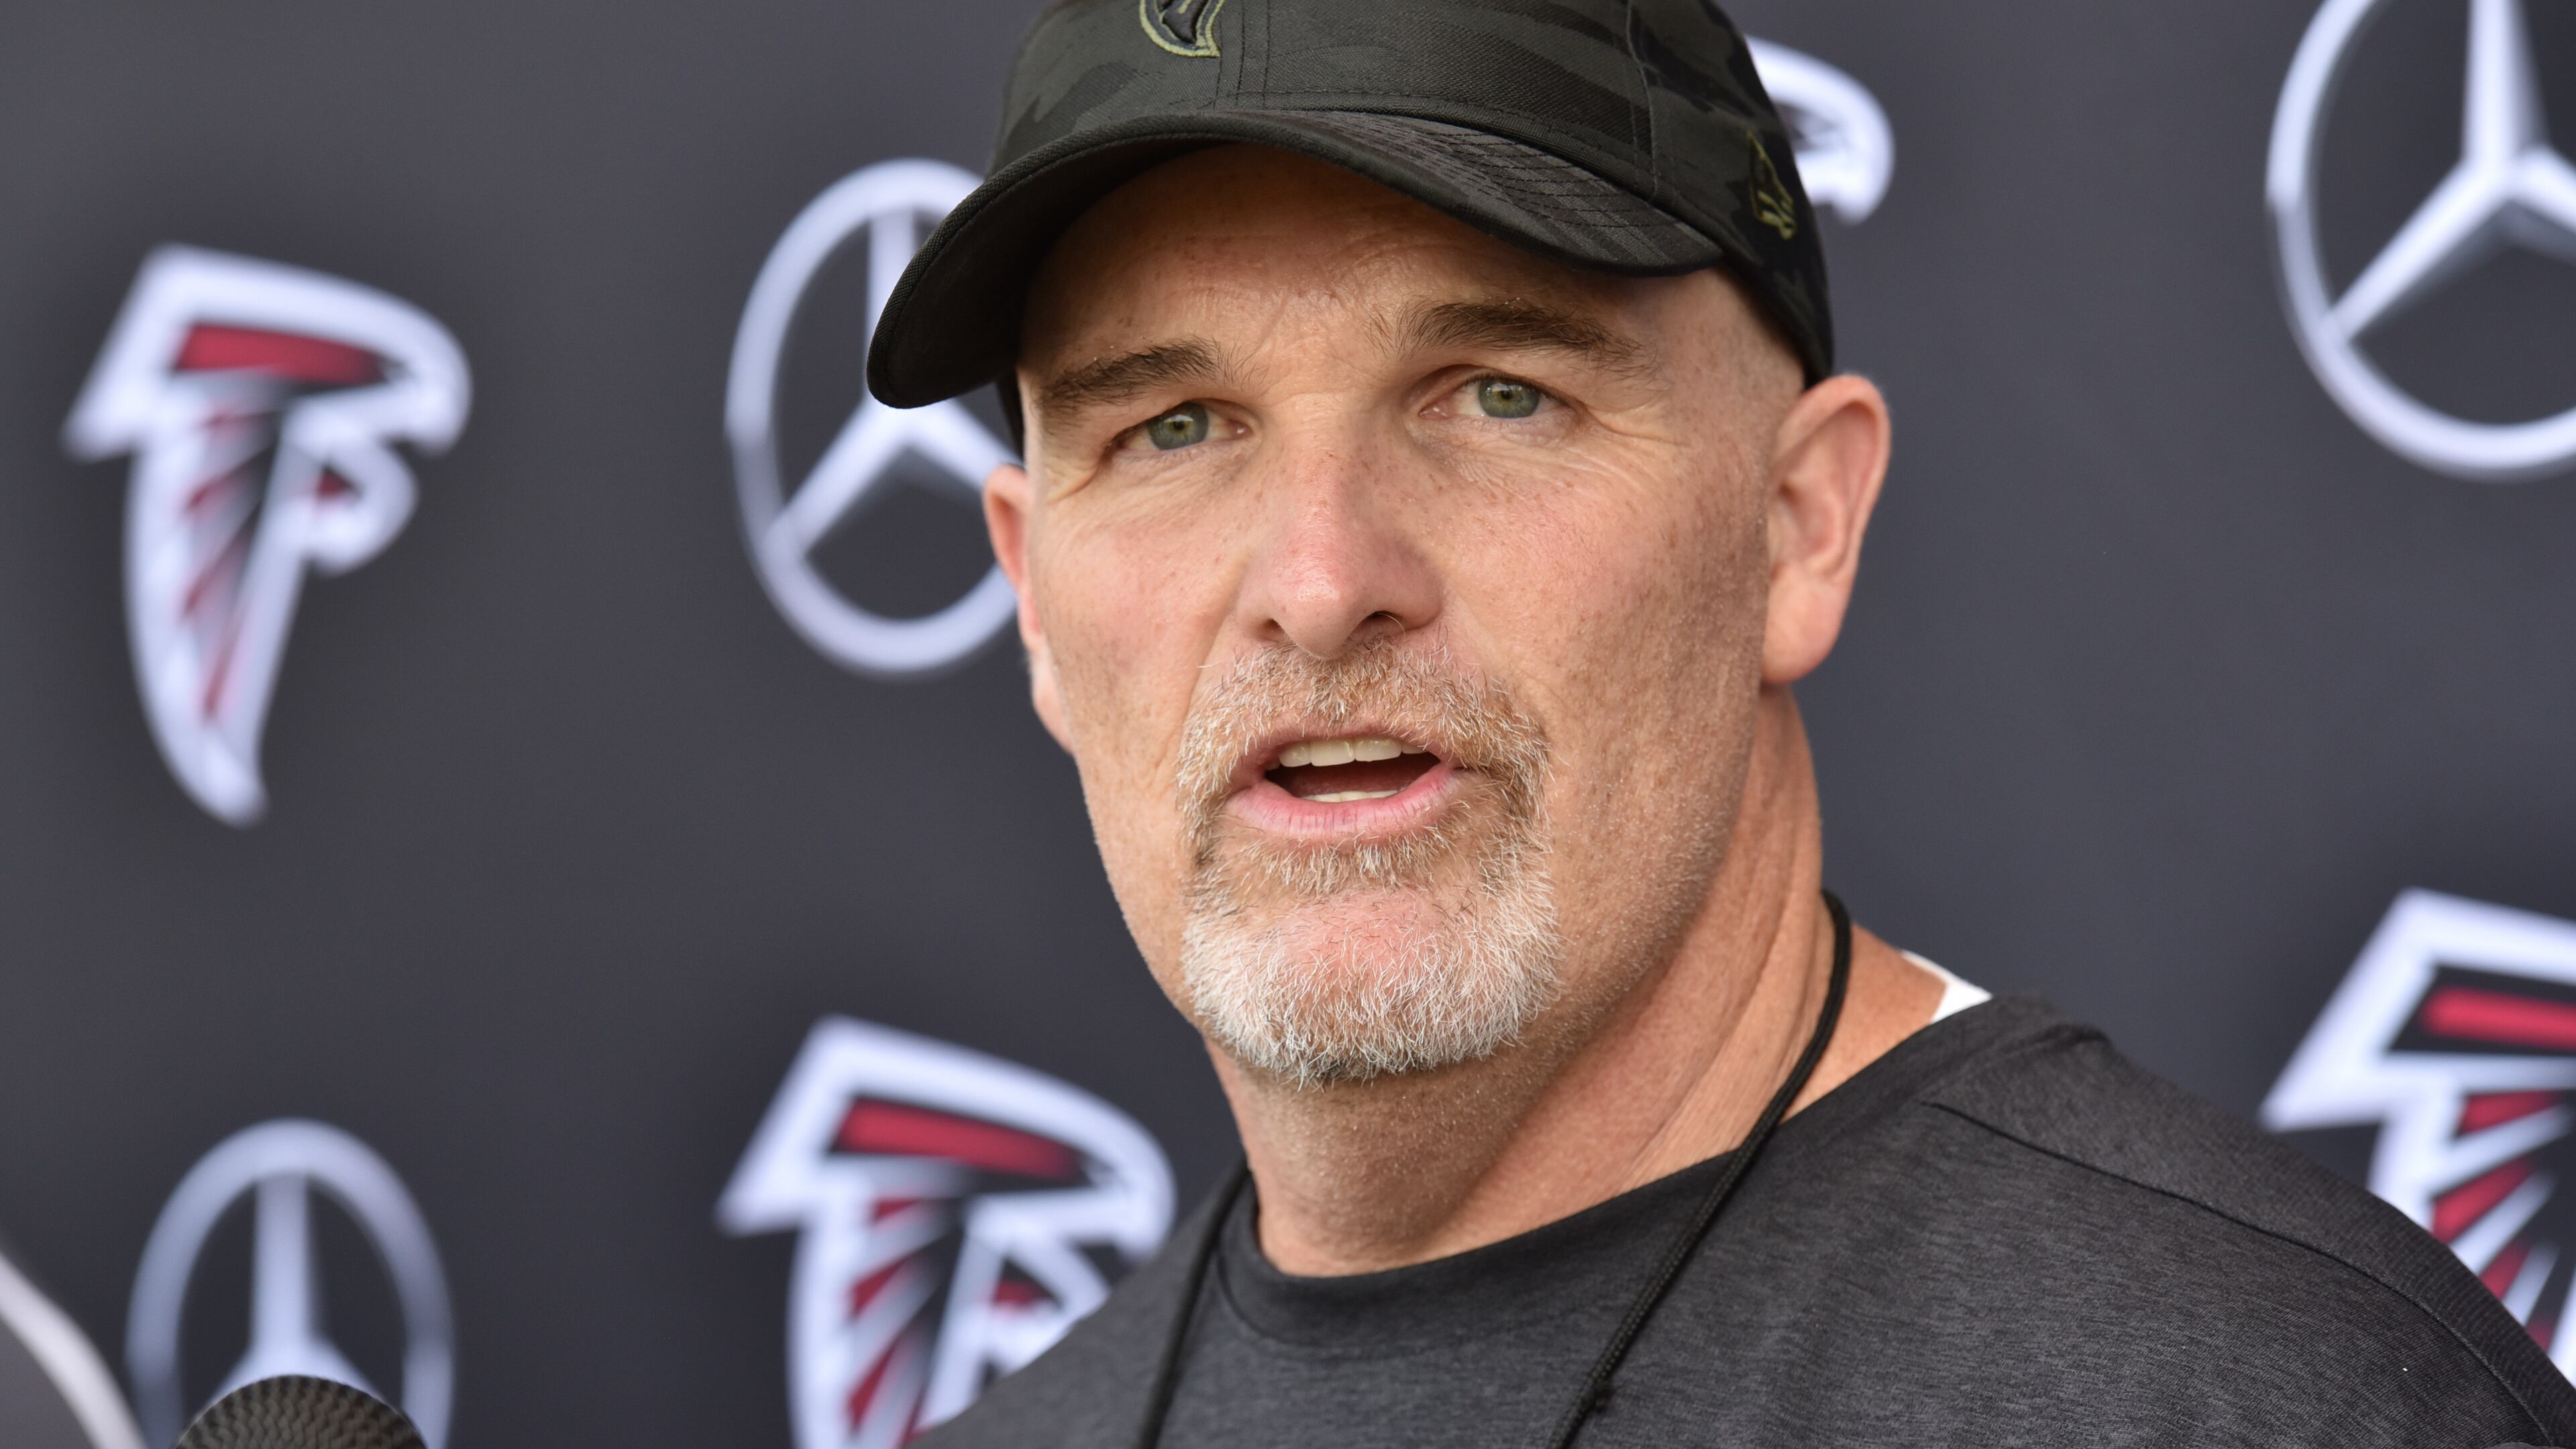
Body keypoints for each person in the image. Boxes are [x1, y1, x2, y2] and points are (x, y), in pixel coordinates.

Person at [866, 0, 2576, 1443]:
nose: (1320, 580)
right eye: (1171, 428)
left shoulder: (2259, 1400)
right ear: (1033, 591)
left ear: (1796, 525)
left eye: (1500, 393)